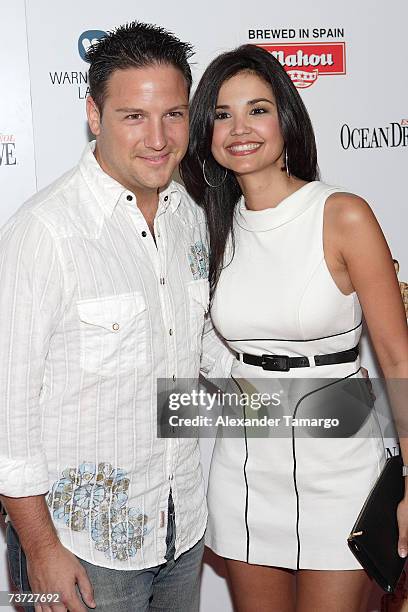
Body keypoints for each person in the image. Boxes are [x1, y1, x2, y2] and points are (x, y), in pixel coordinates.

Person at [0, 22, 231, 612]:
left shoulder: (189, 213)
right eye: (133, 117)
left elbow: (196, 362)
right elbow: (9, 410)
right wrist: (39, 547)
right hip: (81, 548)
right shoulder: (44, 233)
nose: (158, 138)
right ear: (94, 116)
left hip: (181, 526)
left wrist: (326, 404)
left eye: (173, 115)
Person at [181, 44, 408, 612]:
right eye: (222, 114)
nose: (240, 128)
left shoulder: (342, 214)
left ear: (286, 118)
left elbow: (398, 359)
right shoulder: (208, 227)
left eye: (257, 109)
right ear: (206, 132)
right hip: (247, 465)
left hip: (342, 460)